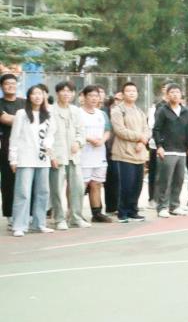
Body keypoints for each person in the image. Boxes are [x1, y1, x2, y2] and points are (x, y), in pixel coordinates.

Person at [9, 85, 56, 236]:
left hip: (42, 158)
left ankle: (39, 223)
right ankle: (19, 225)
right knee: (23, 193)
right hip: (25, 159)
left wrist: (48, 146)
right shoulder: (21, 113)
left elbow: (51, 134)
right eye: (34, 94)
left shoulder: (48, 114)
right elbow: (14, 137)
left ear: (44, 96)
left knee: (43, 192)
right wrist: (13, 158)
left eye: (40, 94)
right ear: (29, 96)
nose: (37, 96)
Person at [49, 81, 88, 230]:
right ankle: (59, 218)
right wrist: (51, 155)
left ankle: (76, 217)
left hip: (73, 155)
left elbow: (82, 131)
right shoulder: (50, 111)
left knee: (78, 188)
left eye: (69, 91)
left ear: (73, 94)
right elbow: (47, 135)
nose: (66, 93)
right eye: (63, 91)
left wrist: (78, 142)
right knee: (56, 189)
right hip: (57, 156)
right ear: (57, 93)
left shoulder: (76, 111)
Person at [152, 84, 188, 217]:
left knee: (179, 179)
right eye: (172, 92)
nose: (175, 94)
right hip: (167, 150)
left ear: (181, 95)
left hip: (182, 151)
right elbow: (156, 129)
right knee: (165, 180)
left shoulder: (186, 112)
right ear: (167, 95)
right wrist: (159, 146)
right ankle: (162, 207)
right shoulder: (162, 110)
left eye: (177, 92)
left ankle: (174, 205)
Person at [110, 82, 151, 223]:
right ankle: (123, 212)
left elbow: (146, 129)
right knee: (126, 184)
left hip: (139, 153)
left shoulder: (139, 111)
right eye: (128, 91)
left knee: (137, 185)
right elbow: (120, 130)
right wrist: (139, 137)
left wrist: (142, 142)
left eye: (134, 91)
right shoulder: (118, 110)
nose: (132, 93)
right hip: (124, 153)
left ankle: (133, 211)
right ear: (122, 94)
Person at [79, 85, 112, 223]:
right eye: (91, 95)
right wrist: (88, 139)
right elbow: (74, 131)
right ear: (84, 97)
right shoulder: (78, 113)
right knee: (81, 185)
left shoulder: (102, 114)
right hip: (83, 154)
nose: (94, 98)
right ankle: (75, 213)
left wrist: (102, 140)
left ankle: (97, 212)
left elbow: (107, 130)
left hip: (99, 154)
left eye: (96, 96)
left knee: (96, 183)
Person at [0, 73, 25, 226]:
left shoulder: (24, 102)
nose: (11, 86)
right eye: (7, 83)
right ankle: (10, 214)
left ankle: (26, 213)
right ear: (2, 86)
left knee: (25, 180)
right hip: (7, 146)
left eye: (13, 83)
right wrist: (25, 118)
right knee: (9, 181)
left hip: (26, 146)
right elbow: (5, 119)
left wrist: (16, 118)